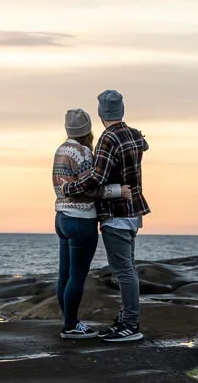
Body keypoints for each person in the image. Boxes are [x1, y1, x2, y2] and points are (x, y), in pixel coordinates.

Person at [58, 90, 150, 343]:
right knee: (127, 268)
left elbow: (97, 177)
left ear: (100, 113)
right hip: (133, 211)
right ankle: (124, 319)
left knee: (124, 272)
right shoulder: (133, 134)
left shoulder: (108, 138)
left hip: (116, 213)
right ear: (122, 110)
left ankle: (130, 325)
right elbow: (144, 145)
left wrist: (69, 188)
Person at [52, 108, 129, 340]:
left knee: (64, 275)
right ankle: (70, 327)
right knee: (77, 276)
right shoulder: (82, 152)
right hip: (81, 219)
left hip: (61, 218)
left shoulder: (60, 150)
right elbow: (88, 187)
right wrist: (118, 191)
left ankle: (70, 322)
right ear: (87, 130)